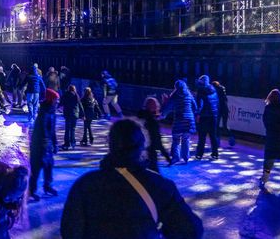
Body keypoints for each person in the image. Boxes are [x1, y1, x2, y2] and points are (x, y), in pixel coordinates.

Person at [60, 119, 204, 239]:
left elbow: (70, 231)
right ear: (141, 146)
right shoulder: (159, 185)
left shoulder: (85, 185)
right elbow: (191, 230)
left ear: (110, 144)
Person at [29, 89, 59, 201]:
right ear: (51, 100)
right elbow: (42, 132)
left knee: (49, 166)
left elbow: (53, 131)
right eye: (56, 100)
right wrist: (44, 145)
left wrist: (55, 144)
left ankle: (48, 186)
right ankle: (32, 190)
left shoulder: (52, 113)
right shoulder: (43, 114)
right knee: (36, 169)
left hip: (48, 146)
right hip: (39, 147)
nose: (57, 102)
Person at [161, 79, 197, 165]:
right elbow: (195, 107)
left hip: (179, 120)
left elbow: (168, 107)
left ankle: (176, 157)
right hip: (189, 121)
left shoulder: (175, 96)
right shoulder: (189, 94)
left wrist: (163, 114)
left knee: (176, 139)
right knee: (186, 139)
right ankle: (185, 157)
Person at [136, 97, 171, 172]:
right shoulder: (152, 120)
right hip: (152, 143)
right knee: (153, 167)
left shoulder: (143, 115)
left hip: (144, 144)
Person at [194, 75, 220, 160]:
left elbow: (200, 104)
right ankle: (215, 154)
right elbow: (217, 103)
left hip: (204, 116)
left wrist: (197, 114)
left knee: (202, 136)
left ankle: (199, 154)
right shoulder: (213, 89)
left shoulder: (201, 90)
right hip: (213, 116)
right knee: (213, 135)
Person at [212, 80, 235, 146]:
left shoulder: (216, 93)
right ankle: (231, 138)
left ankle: (217, 140)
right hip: (225, 110)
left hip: (219, 110)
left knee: (217, 125)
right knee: (225, 126)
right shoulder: (223, 91)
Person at [60, 85, 84, 150]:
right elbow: (80, 105)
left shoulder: (66, 95)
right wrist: (82, 115)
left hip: (68, 114)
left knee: (67, 129)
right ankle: (73, 143)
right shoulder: (76, 95)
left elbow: (61, 103)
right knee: (73, 129)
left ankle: (67, 144)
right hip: (75, 115)